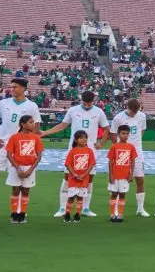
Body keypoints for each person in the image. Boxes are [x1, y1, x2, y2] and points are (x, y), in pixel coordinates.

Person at [0, 78, 41, 217]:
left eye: (15, 87)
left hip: (21, 147)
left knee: (20, 179)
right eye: (11, 87)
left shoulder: (31, 106)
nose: (12, 89)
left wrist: (29, 143)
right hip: (2, 144)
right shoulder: (4, 103)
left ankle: (19, 210)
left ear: (24, 88)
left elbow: (36, 127)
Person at [42, 90, 108, 218]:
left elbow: (106, 129)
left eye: (89, 104)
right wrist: (45, 133)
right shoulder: (73, 110)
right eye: (85, 103)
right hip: (74, 150)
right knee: (67, 177)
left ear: (93, 101)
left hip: (90, 150)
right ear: (81, 100)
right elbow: (62, 126)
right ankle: (62, 208)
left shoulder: (99, 112)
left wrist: (101, 143)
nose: (87, 106)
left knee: (89, 179)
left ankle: (86, 208)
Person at [110, 99, 149, 217]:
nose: (134, 114)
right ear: (127, 107)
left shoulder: (142, 116)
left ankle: (140, 209)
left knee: (140, 180)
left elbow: (141, 131)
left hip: (137, 152)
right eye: (133, 111)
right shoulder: (118, 118)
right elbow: (112, 134)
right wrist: (120, 147)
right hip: (121, 153)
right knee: (117, 183)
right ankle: (115, 210)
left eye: (136, 111)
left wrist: (134, 145)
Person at [4, 114, 43, 224]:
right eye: (31, 122)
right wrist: (17, 168)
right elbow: (9, 154)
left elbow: (39, 156)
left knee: (26, 191)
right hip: (16, 167)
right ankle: (14, 214)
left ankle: (22, 214)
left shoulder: (36, 138)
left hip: (29, 167)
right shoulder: (14, 137)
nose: (33, 124)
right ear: (23, 124)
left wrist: (30, 170)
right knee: (15, 190)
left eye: (33, 122)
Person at [63, 130, 95, 223]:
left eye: (85, 138)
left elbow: (91, 165)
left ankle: (77, 214)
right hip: (73, 179)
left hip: (83, 179)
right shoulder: (72, 151)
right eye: (81, 138)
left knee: (80, 197)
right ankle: (67, 214)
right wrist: (74, 174)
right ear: (76, 140)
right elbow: (68, 164)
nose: (84, 139)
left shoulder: (89, 151)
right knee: (71, 197)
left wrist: (84, 175)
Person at [107, 125, 137, 223]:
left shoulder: (131, 147)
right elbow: (110, 162)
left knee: (122, 194)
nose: (125, 135)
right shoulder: (114, 146)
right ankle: (112, 214)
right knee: (114, 194)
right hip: (115, 175)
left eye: (127, 133)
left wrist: (131, 174)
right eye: (123, 133)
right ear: (118, 134)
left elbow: (132, 161)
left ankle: (120, 214)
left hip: (125, 176)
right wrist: (110, 175)